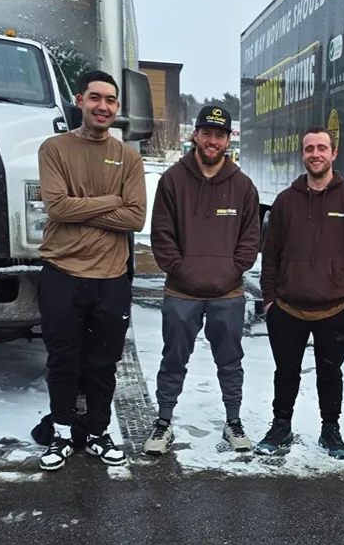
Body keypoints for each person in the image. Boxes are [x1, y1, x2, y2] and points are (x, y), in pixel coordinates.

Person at [36, 70, 147, 471]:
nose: (103, 106)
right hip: (62, 272)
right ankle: (62, 432)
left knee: (103, 363)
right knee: (63, 360)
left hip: (112, 276)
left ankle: (98, 431)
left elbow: (135, 217)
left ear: (117, 108)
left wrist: (81, 206)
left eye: (111, 101)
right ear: (80, 100)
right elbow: (57, 208)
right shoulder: (54, 148)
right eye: (96, 98)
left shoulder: (128, 156)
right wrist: (109, 200)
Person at [143, 105, 260, 455]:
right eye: (207, 133)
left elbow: (250, 240)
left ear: (228, 140)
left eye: (220, 135)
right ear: (195, 135)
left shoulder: (243, 186)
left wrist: (229, 271)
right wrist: (183, 270)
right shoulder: (172, 181)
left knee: (230, 361)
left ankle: (233, 421)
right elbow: (162, 235)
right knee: (173, 359)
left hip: (228, 293)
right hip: (181, 292)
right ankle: (163, 422)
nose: (213, 140)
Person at [256, 127, 344, 459]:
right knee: (286, 372)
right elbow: (271, 256)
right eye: (309, 148)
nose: (315, 154)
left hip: (335, 310)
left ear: (334, 154)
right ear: (302, 155)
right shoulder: (285, 202)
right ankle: (281, 427)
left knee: (330, 374)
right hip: (287, 309)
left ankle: (331, 431)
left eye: (322, 148)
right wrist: (269, 301)